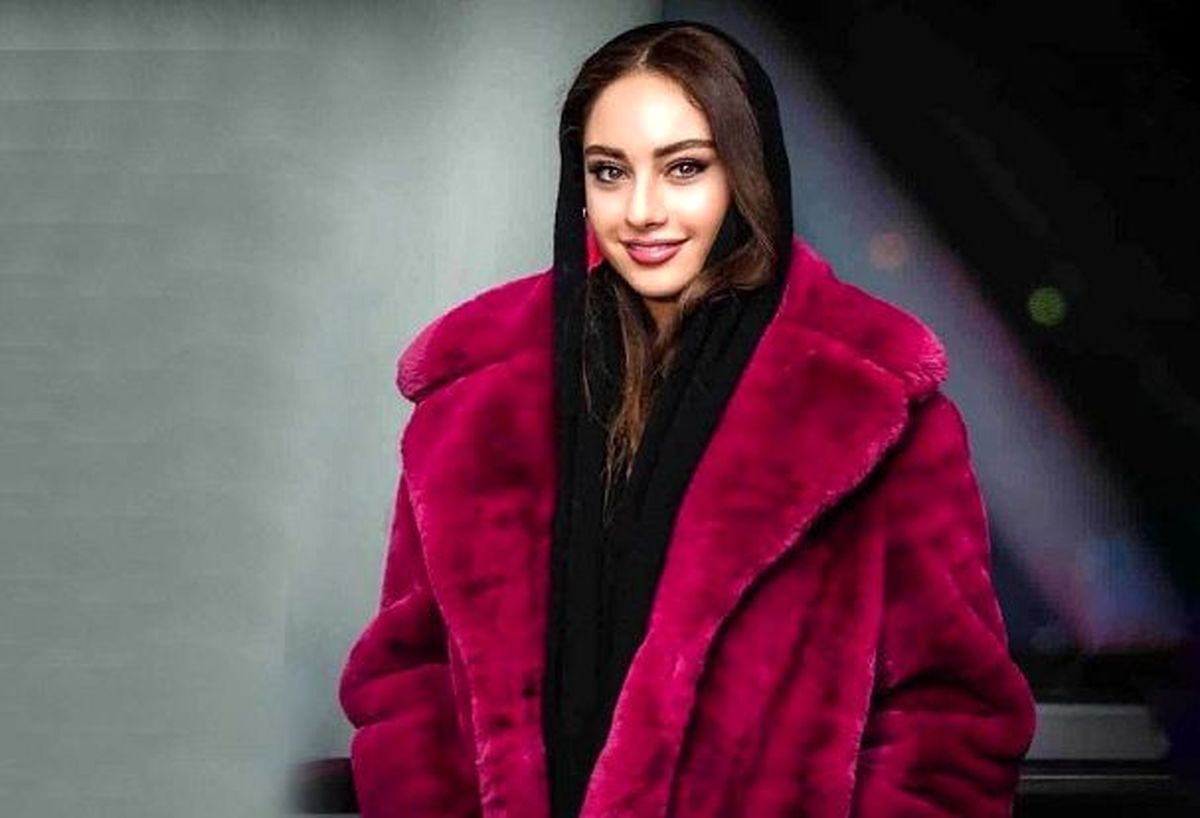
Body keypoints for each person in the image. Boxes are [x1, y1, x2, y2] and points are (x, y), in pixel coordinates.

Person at [337, 19, 1037, 818]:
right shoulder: (477, 396)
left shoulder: (874, 409)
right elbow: (408, 677)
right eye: (609, 171)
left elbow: (952, 716)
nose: (641, 210)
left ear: (746, 172)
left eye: (684, 168)